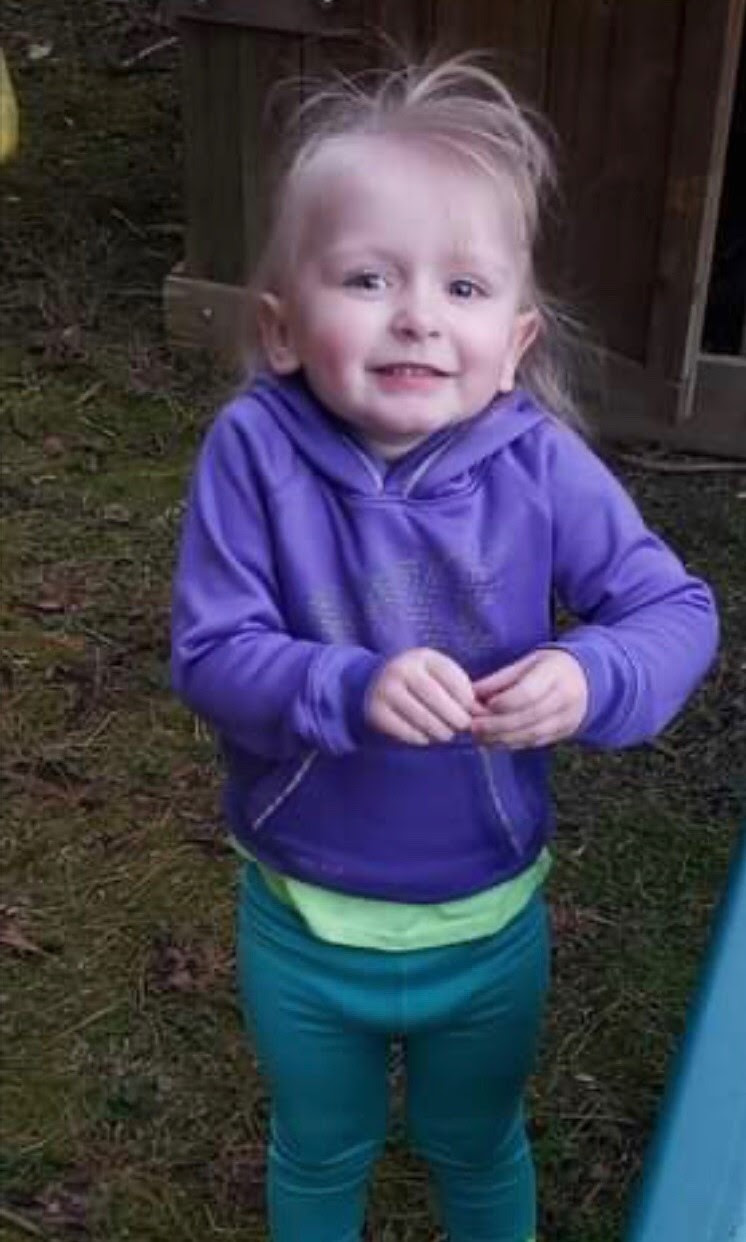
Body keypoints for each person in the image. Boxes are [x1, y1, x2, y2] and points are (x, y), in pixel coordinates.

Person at [171, 55, 719, 1242]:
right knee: (319, 1149)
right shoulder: (251, 454)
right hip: (302, 918)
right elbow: (210, 652)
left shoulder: (539, 464)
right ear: (280, 327)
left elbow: (675, 612)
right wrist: (343, 685)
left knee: (476, 1143)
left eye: (462, 286)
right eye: (367, 277)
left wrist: (590, 673)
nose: (417, 313)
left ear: (513, 342)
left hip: (488, 921)